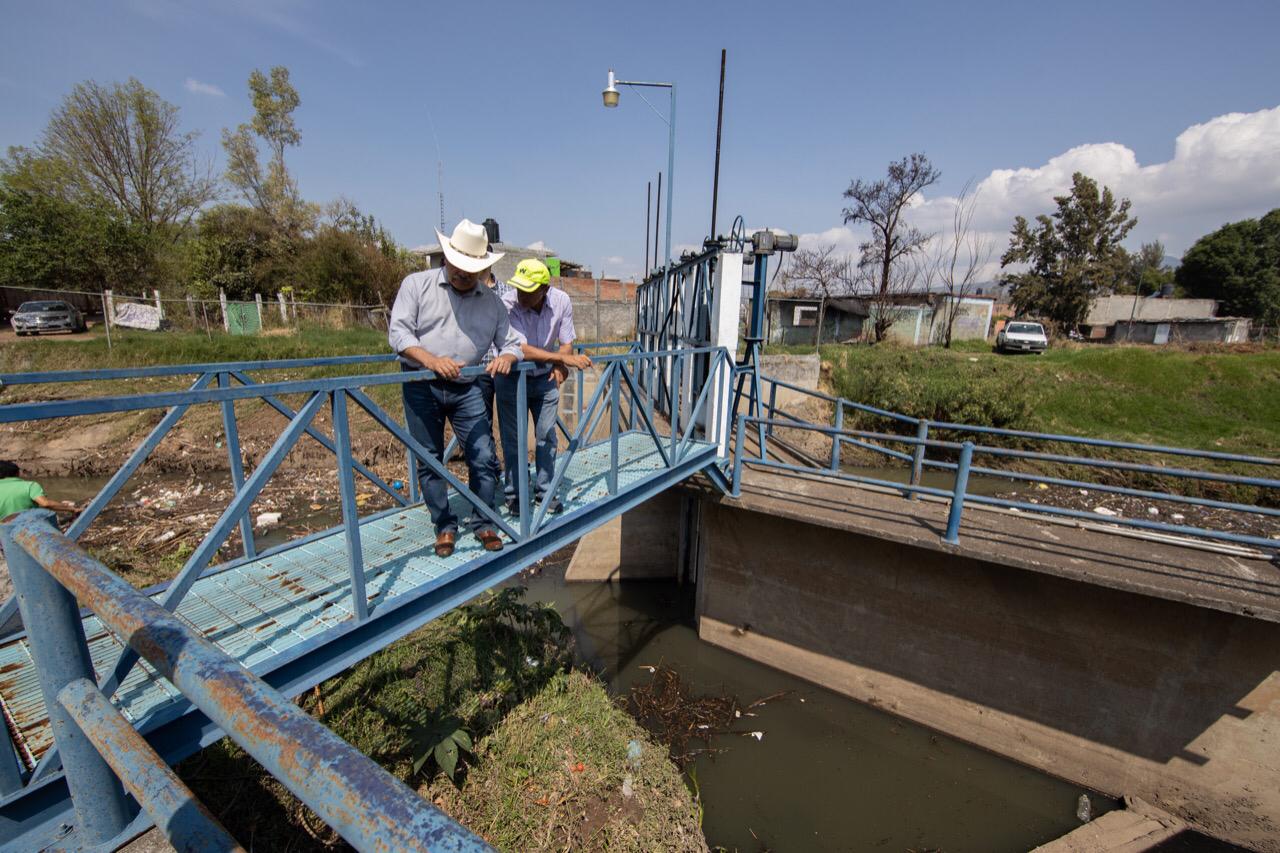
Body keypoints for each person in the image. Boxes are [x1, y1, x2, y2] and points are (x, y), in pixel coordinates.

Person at [388, 219, 523, 558]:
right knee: (429, 459)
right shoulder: (416, 285)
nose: (464, 276)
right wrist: (431, 360)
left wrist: (507, 355)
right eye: (459, 269)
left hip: (467, 388)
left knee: (483, 456)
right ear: (447, 259)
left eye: (471, 272)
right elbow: (400, 335)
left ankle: (483, 521)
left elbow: (512, 342)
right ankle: (445, 526)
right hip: (422, 384)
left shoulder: (491, 302)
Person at [494, 259, 592, 515]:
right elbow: (520, 349)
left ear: (544, 289)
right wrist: (562, 360)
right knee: (513, 438)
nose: (522, 294)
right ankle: (515, 494)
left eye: (529, 290)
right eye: (520, 288)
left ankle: (545, 492)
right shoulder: (507, 303)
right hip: (512, 379)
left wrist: (560, 366)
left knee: (547, 436)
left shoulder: (561, 301)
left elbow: (566, 341)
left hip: (545, 379)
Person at [0, 461, 80, 523]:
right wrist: (70, 508)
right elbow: (45, 504)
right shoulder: (30, 485)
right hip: (26, 526)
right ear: (17, 473)